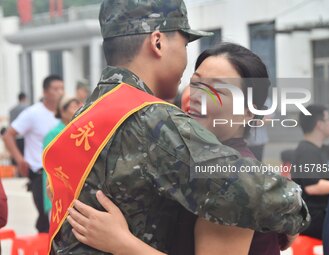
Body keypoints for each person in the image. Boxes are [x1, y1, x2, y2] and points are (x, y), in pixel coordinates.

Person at [44, 1, 309, 254]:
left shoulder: (86, 113)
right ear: (158, 42)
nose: (196, 93)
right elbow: (259, 194)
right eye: (183, 43)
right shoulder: (156, 121)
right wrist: (293, 214)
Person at [3, 75, 64, 233]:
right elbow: (8, 134)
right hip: (40, 174)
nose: (60, 92)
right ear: (45, 91)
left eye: (62, 88)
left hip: (61, 174)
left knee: (61, 217)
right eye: (55, 89)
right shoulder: (33, 113)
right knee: (45, 217)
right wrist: (20, 160)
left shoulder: (64, 115)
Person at [292, 104, 329, 240]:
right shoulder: (307, 151)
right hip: (316, 218)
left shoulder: (323, 150)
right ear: (320, 124)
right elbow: (314, 187)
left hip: (327, 213)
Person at [42, 96, 81, 214]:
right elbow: (49, 165)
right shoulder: (53, 134)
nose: (79, 109)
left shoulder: (81, 130)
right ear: (62, 112)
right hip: (58, 190)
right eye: (74, 106)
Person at [9, 92, 28, 172]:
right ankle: (23, 171)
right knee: (23, 155)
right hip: (23, 136)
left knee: (17, 154)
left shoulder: (12, 110)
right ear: (24, 98)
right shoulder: (27, 108)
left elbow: (10, 123)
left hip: (14, 136)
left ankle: (17, 171)